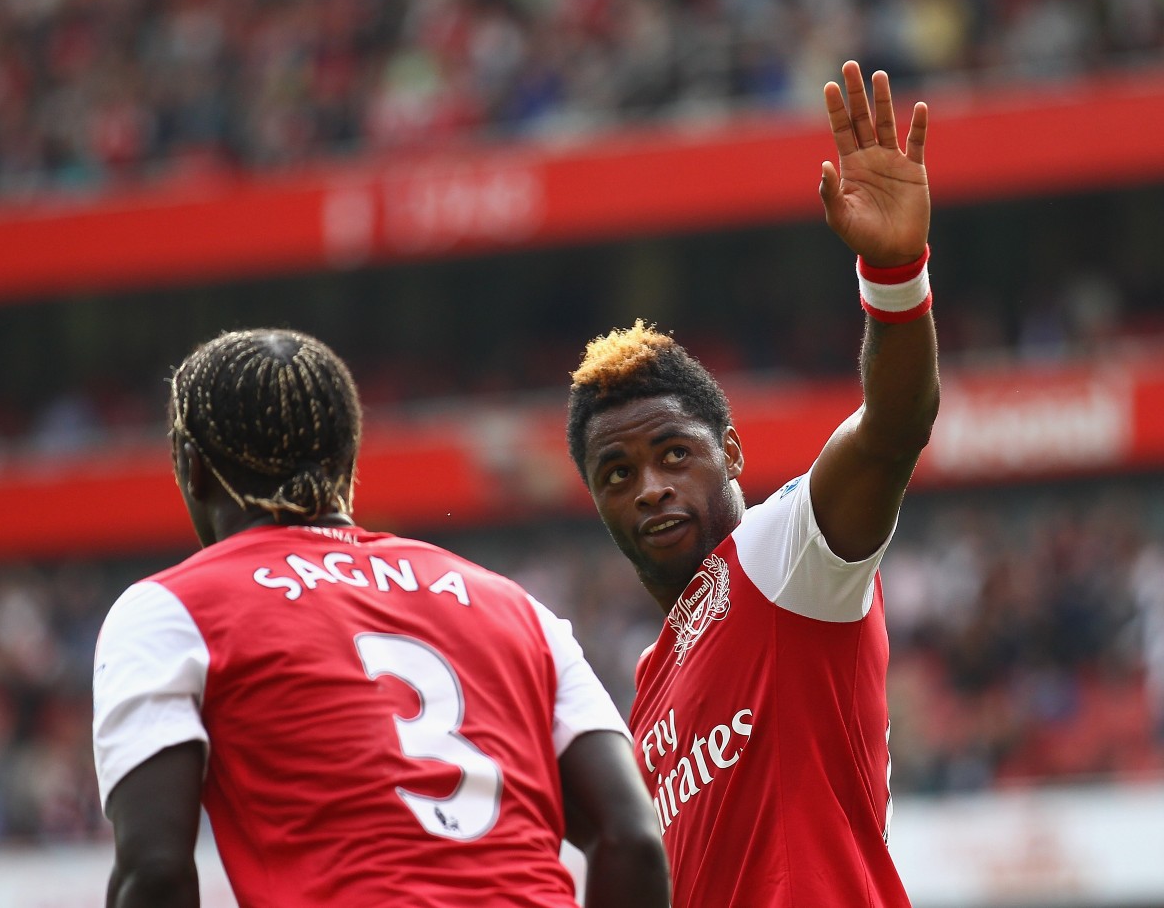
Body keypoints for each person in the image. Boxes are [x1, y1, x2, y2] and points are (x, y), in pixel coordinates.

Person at [92, 329, 669, 908]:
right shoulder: (517, 607)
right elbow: (634, 839)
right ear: (349, 460)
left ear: (192, 468)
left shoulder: (169, 609)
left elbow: (157, 870)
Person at [564, 60, 938, 907]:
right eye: (618, 474)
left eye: (674, 454)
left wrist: (896, 278)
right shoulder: (650, 693)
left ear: (731, 454)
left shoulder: (781, 557)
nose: (651, 487)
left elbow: (892, 431)